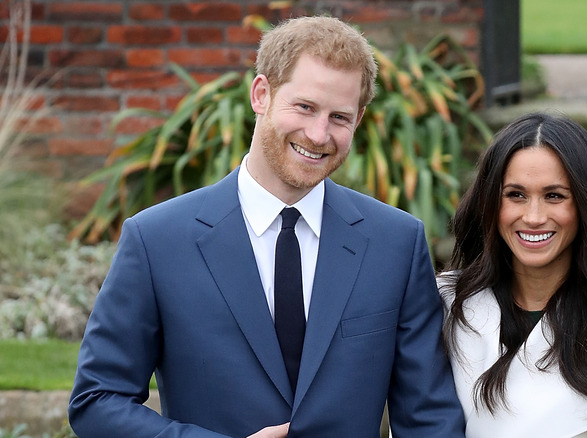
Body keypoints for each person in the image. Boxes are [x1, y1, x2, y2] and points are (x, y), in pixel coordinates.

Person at [69, 16, 465, 438]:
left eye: (339, 117)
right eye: (305, 107)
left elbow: (429, 418)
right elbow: (97, 400)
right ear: (262, 94)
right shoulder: (157, 240)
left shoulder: (396, 244)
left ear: (359, 118)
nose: (318, 134)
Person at [438, 112, 587, 437]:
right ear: (491, 203)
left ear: (586, 206)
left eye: (554, 196)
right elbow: (418, 421)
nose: (533, 217)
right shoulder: (446, 303)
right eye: (515, 195)